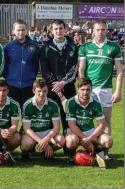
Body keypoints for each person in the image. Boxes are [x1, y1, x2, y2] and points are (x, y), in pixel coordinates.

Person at [78, 21, 123, 159]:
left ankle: (104, 150)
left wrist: (118, 91)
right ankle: (85, 145)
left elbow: (120, 70)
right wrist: (81, 87)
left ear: (107, 31)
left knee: (106, 120)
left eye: (103, 29)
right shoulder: (85, 47)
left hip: (106, 90)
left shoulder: (113, 47)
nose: (100, 32)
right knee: (85, 119)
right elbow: (81, 69)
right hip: (89, 90)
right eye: (98, 29)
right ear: (93, 30)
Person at [39, 20, 79, 143]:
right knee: (51, 118)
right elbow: (43, 69)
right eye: (55, 29)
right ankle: (50, 149)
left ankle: (69, 150)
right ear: (51, 31)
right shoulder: (45, 47)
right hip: (52, 89)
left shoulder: (73, 46)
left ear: (64, 29)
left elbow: (75, 68)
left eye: (60, 28)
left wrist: (64, 82)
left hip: (68, 88)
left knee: (68, 119)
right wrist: (54, 83)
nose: (58, 31)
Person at [65, 78, 112, 162]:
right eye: (82, 89)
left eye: (88, 89)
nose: (85, 92)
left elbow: (102, 124)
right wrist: (85, 139)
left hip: (90, 131)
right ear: (78, 89)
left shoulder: (96, 103)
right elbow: (71, 125)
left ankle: (95, 152)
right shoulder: (71, 102)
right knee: (70, 142)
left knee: (108, 141)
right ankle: (71, 156)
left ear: (91, 90)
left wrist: (90, 138)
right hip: (75, 132)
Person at [3, 20, 40, 106]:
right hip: (11, 86)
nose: (20, 32)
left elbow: (37, 64)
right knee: (11, 116)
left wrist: (32, 76)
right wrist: (9, 78)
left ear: (26, 30)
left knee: (27, 116)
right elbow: (4, 65)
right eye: (18, 30)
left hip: (29, 86)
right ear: (13, 31)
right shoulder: (8, 47)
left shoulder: (34, 46)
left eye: (23, 30)